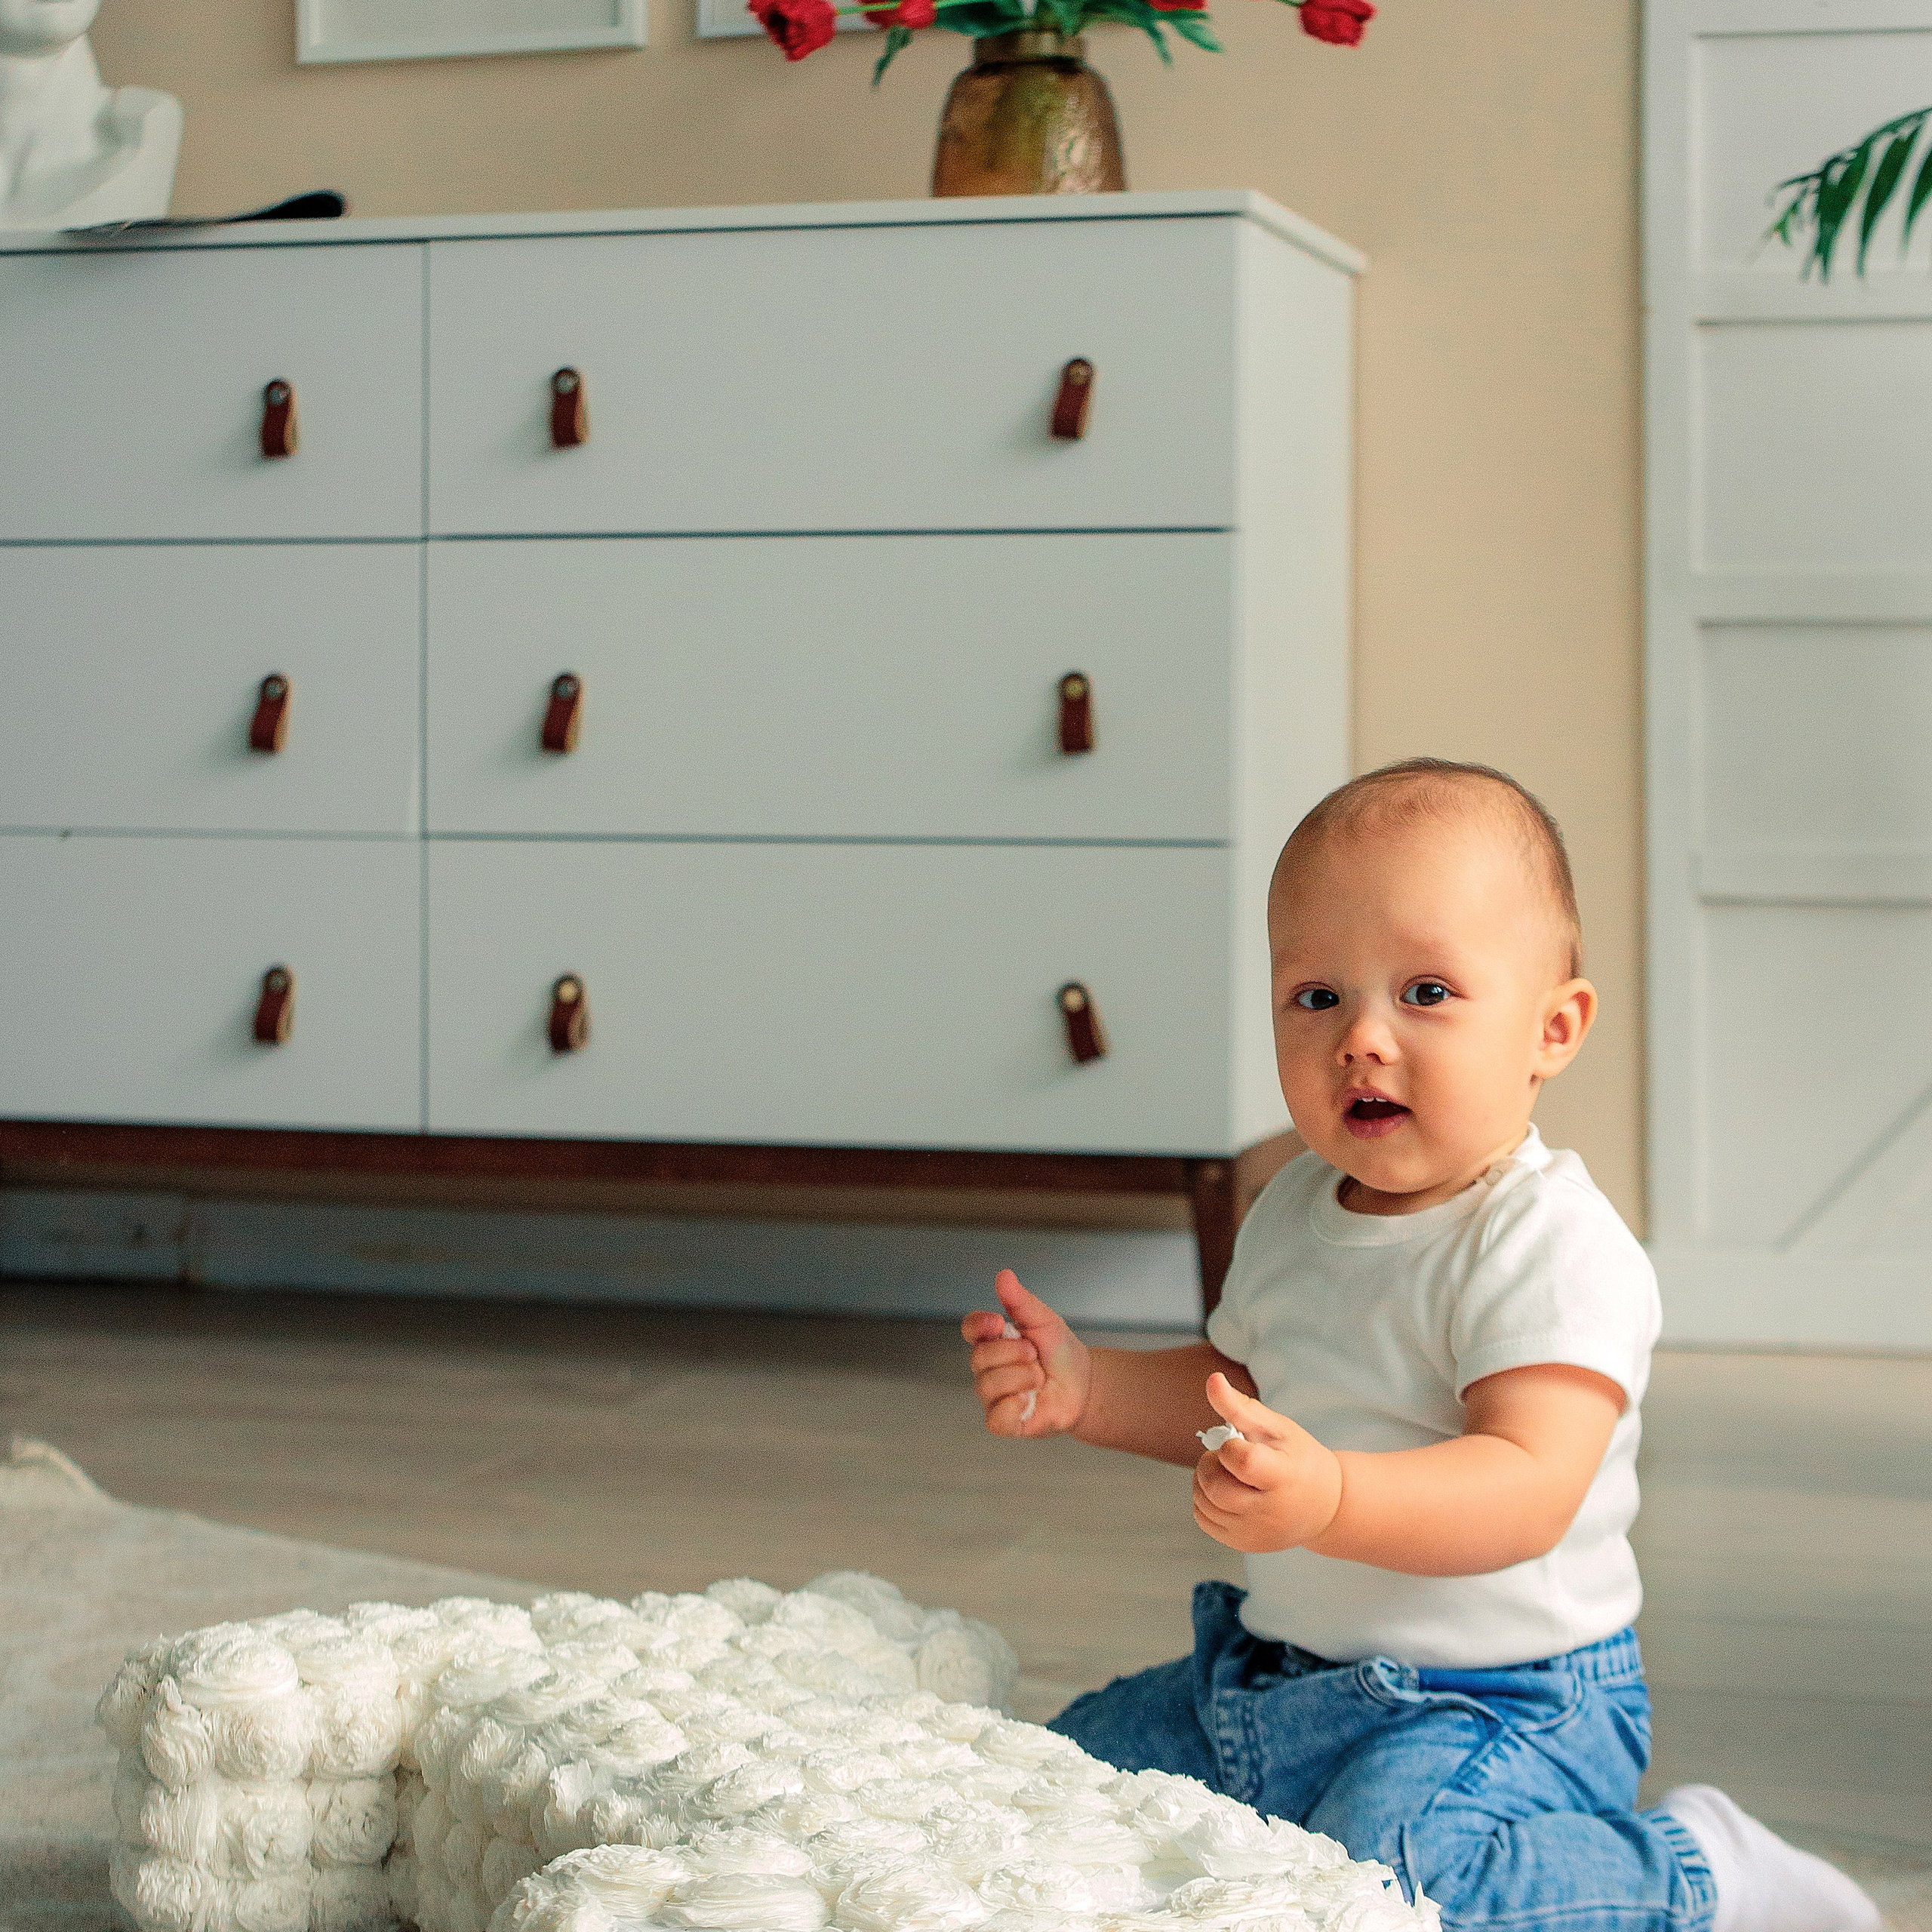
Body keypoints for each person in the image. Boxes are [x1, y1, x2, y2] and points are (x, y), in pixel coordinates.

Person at [963, 758, 1880, 1932]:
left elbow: (1528, 1485)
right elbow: (1238, 1396)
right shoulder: (1293, 1209)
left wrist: (1332, 1496)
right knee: (1057, 1778)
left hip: (1502, 1706)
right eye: (1317, 997)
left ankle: (1698, 1873)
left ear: (1554, 1028)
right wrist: (1087, 1390)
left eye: (1429, 993)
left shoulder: (1545, 1241)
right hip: (1271, 1678)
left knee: (1396, 1879)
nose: (1363, 1039)